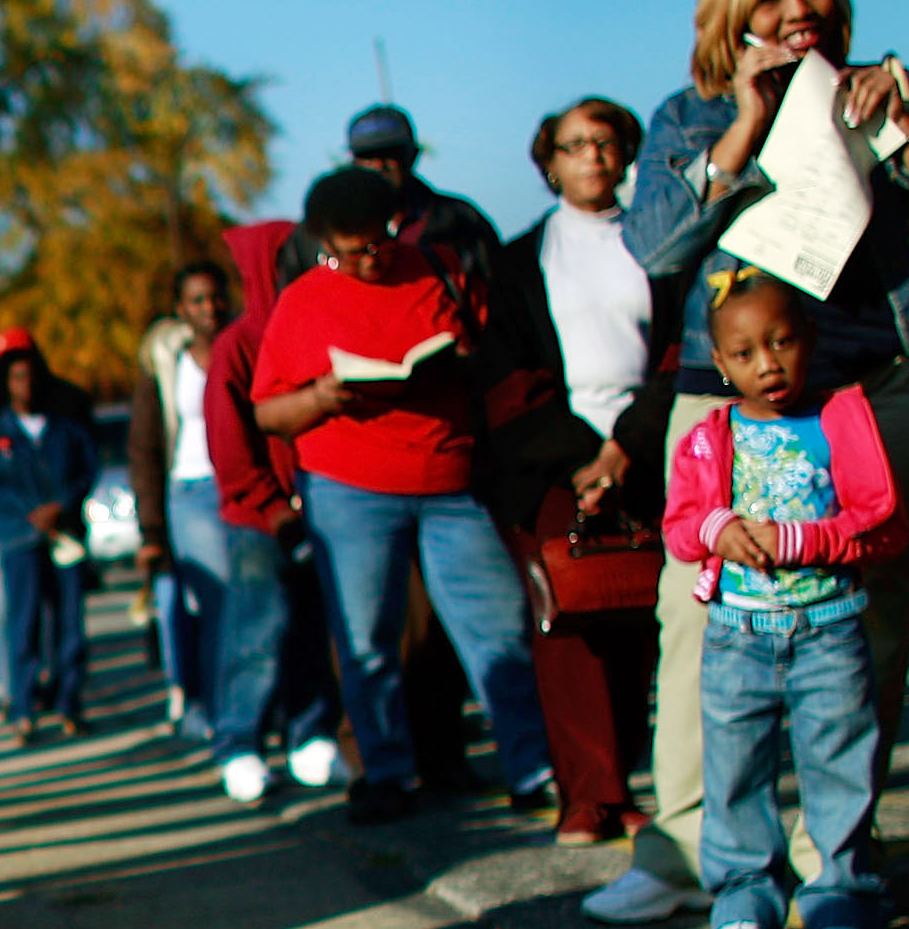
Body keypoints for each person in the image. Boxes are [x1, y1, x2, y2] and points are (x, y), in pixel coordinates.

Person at [584, 0, 909, 923]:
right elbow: (654, 246)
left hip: (883, 387)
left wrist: (908, 135)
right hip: (728, 403)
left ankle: (833, 855)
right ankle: (687, 849)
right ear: (732, 11)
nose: (798, 10)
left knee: (874, 624)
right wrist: (742, 125)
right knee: (700, 615)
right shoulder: (690, 113)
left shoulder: (893, 90)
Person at [254, 167, 555, 824]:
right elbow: (268, 412)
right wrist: (322, 396)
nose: (371, 258)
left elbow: (488, 353)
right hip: (348, 489)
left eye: (380, 242)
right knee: (366, 639)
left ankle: (532, 766)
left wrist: (455, 363)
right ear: (324, 242)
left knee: (497, 628)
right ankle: (386, 773)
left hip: (452, 481)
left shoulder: (438, 269)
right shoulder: (303, 301)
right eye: (352, 250)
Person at [665, 275, 904, 929]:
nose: (767, 364)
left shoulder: (841, 418)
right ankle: (744, 899)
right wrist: (717, 528)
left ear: (811, 339)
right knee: (735, 772)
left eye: (782, 342)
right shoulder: (709, 436)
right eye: (745, 353)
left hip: (829, 631)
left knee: (839, 768)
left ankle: (841, 899)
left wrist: (804, 540)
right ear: (720, 362)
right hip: (735, 638)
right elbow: (680, 527)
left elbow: (882, 522)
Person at [480, 98, 689, 846]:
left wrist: (625, 447)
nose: (592, 157)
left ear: (626, 154)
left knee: (635, 617)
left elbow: (681, 352)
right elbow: (508, 376)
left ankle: (621, 786)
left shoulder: (661, 245)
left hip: (649, 452)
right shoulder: (519, 261)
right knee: (569, 622)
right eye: (574, 146)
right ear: (550, 164)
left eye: (605, 142)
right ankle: (586, 797)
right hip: (554, 465)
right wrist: (582, 460)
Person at [180, 225, 347, 802]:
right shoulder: (237, 343)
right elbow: (228, 445)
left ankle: (310, 734)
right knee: (256, 628)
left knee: (312, 627)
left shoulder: (312, 325)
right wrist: (271, 506)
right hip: (260, 518)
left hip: (319, 507)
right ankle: (238, 742)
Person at [129, 262, 236, 743]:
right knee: (217, 603)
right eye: (197, 300)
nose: (209, 308)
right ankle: (219, 710)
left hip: (239, 486)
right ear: (181, 310)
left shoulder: (244, 347)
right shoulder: (167, 365)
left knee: (257, 601)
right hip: (191, 491)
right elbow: (144, 449)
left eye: (216, 296)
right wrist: (151, 529)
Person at [0, 329, 100, 741]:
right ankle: (24, 708)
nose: (24, 385)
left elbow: (87, 467)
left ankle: (70, 703)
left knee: (69, 624)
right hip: (18, 537)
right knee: (23, 623)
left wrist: (61, 505)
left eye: (30, 376)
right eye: (16, 378)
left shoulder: (64, 422)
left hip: (64, 535)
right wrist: (29, 513)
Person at [278, 103, 506, 296]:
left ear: (412, 155)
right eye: (367, 156)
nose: (378, 165)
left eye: (390, 153)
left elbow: (500, 301)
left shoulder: (461, 223)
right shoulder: (314, 235)